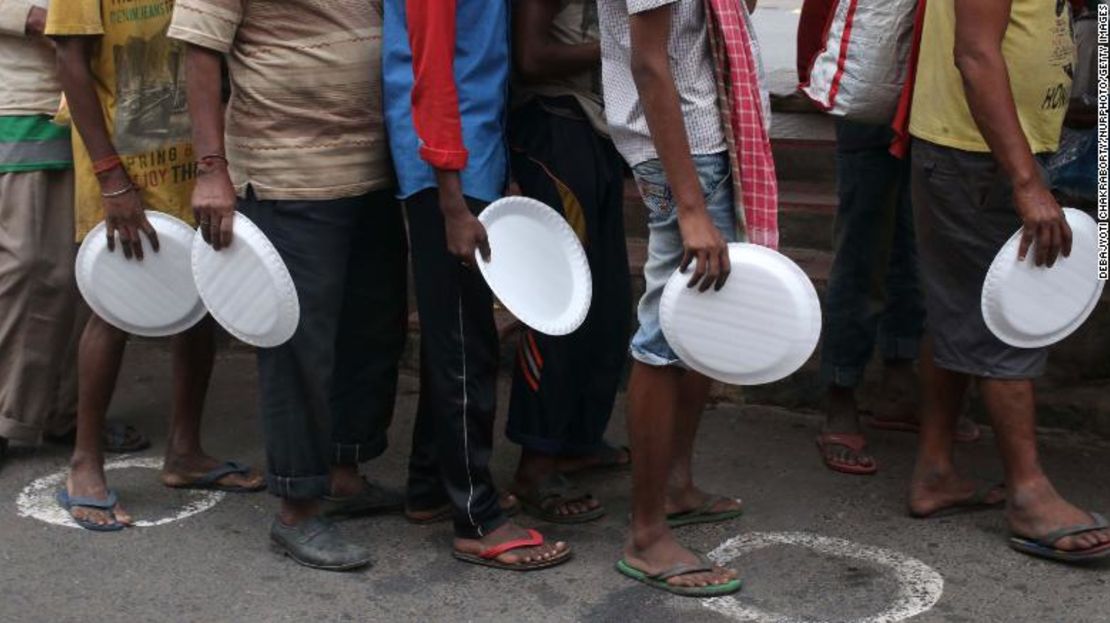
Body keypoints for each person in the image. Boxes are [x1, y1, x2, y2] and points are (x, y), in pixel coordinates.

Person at [170, 0, 408, 570]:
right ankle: (298, 507)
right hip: (287, 175)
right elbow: (201, 50)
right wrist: (210, 167)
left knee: (372, 331)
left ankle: (345, 473)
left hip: (374, 166)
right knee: (299, 348)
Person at [45, 0, 263, 532]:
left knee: (201, 298)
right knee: (115, 306)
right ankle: (84, 465)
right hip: (120, 169)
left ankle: (185, 452)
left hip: (196, 163)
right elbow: (70, 62)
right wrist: (110, 176)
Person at [907, 0, 1110, 561]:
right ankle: (1028, 493)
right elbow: (974, 54)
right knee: (1010, 320)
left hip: (985, 152)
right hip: (977, 159)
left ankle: (936, 471)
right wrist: (1025, 180)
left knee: (959, 307)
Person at [384, 0, 571, 571]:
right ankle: (478, 518)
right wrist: (451, 199)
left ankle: (429, 487)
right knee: (465, 344)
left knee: (459, 334)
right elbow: (431, 69)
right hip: (445, 171)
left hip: (470, 161)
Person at [598, 0, 772, 596]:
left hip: (710, 142)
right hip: (686, 156)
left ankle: (674, 487)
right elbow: (649, 64)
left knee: (702, 323)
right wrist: (691, 206)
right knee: (667, 331)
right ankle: (647, 534)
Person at [505, 0, 631, 523]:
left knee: (609, 305)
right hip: (554, 127)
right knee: (563, 305)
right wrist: (622, 49)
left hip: (589, 127)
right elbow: (531, 57)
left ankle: (576, 439)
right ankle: (535, 463)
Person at [0, 0, 78, 467]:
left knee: (72, 271)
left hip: (85, 98)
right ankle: (7, 415)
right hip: (16, 98)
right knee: (23, 263)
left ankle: (60, 411)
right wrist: (30, 18)